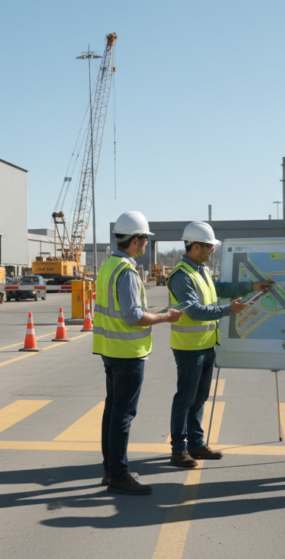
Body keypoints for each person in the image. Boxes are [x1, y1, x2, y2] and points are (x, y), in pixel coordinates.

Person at [165, 222, 274, 468]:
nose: (212, 250)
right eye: (209, 247)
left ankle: (195, 443)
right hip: (188, 347)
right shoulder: (182, 276)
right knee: (185, 398)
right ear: (195, 247)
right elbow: (193, 310)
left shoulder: (201, 271)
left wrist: (252, 287)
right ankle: (178, 449)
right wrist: (229, 310)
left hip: (206, 345)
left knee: (200, 396)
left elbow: (221, 288)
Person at [93, 210, 183, 496]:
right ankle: (119, 475)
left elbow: (125, 311)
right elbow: (132, 317)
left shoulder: (108, 266)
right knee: (122, 414)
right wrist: (165, 318)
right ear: (135, 240)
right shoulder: (127, 272)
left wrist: (154, 312)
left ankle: (111, 469)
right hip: (128, 352)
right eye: (145, 239)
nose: (146, 244)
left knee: (112, 411)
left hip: (111, 349)